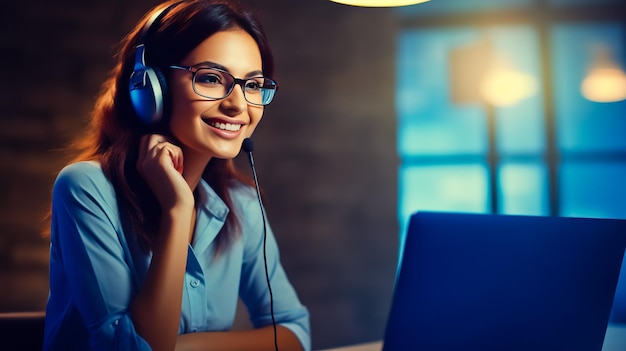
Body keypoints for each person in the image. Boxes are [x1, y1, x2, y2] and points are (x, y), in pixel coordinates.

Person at [42, 1, 310, 350]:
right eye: (212, 78)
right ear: (150, 88)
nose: (239, 105)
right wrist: (177, 211)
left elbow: (294, 333)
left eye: (254, 85)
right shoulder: (84, 188)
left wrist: (187, 347)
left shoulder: (242, 205)